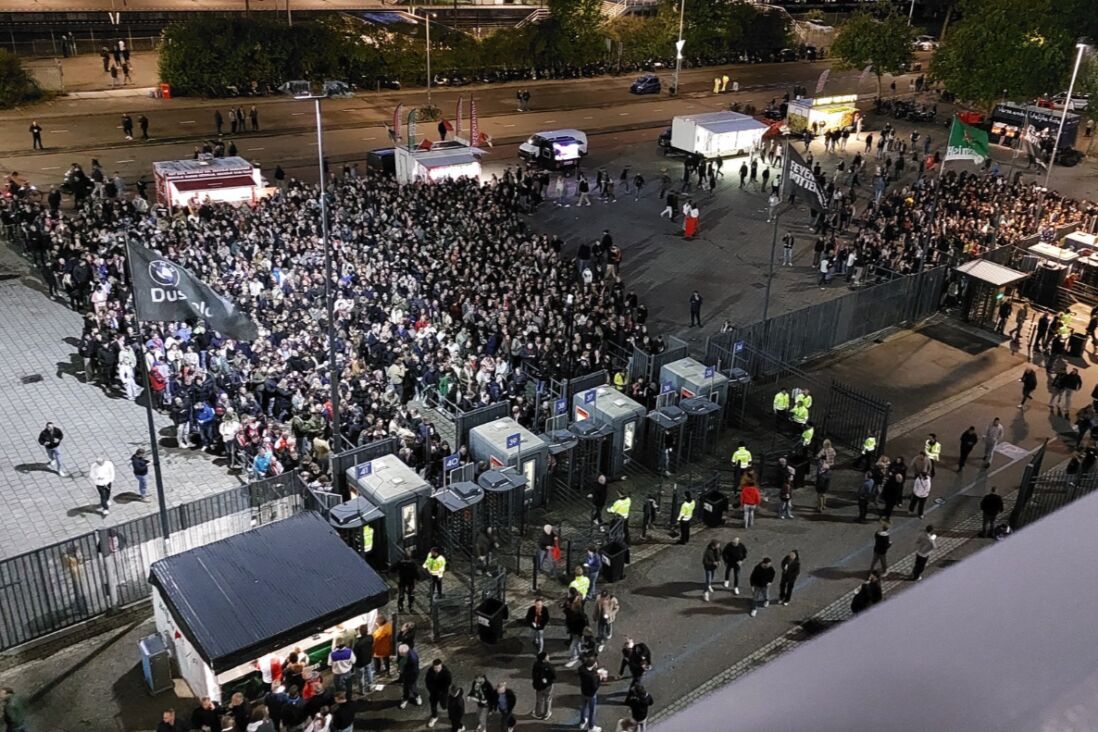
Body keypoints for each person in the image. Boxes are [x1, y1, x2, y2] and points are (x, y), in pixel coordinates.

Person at [425, 658, 452, 728]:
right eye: (435, 668)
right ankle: (434, 717)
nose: (437, 669)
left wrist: (442, 692)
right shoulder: (430, 671)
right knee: (433, 705)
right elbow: (427, 682)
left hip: (443, 693)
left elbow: (448, 683)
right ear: (433, 666)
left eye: (439, 667)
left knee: (444, 706)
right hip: (433, 693)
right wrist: (431, 690)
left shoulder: (446, 673)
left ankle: (452, 711)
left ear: (441, 666)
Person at [577, 656, 603, 732]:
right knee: (592, 711)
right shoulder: (592, 676)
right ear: (594, 664)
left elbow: (585, 667)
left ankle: (582, 722)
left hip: (583, 692)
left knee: (583, 707)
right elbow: (595, 687)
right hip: (591, 695)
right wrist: (600, 678)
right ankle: (591, 727)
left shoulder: (581, 669)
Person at [531, 650, 556, 720]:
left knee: (539, 700)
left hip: (538, 686)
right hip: (548, 686)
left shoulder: (536, 665)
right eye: (547, 656)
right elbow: (554, 676)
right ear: (544, 659)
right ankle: (546, 714)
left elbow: (534, 676)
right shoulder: (548, 666)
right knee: (547, 699)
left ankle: (538, 713)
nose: (548, 657)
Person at [397, 643, 422, 708]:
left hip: (411, 674)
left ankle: (417, 696)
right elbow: (400, 660)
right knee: (405, 687)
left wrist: (403, 671)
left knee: (412, 687)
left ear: (405, 653)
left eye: (401, 654)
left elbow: (414, 670)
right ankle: (405, 698)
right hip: (404, 673)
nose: (399, 654)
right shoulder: (401, 650)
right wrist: (399, 668)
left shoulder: (413, 658)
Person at [353, 624, 375, 695]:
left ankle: (362, 691)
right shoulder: (370, 637)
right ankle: (370, 687)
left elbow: (354, 654)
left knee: (360, 677)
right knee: (369, 673)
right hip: (368, 660)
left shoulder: (357, 643)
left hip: (360, 663)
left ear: (360, 631)